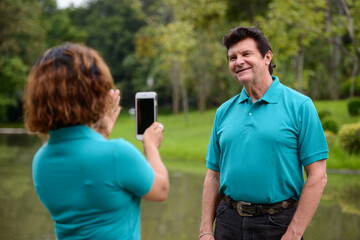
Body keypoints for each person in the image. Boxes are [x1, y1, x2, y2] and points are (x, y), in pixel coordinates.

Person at [24, 43, 169, 240]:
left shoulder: (40, 160)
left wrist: (101, 133)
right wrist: (150, 145)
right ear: (92, 92)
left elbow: (86, 178)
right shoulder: (117, 154)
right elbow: (160, 190)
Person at [199, 27, 328, 240]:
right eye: (232, 57)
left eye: (246, 54)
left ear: (267, 57)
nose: (238, 61)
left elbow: (317, 176)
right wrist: (205, 230)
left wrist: (294, 234)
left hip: (278, 224)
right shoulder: (224, 112)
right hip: (228, 222)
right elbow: (213, 175)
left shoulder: (300, 106)